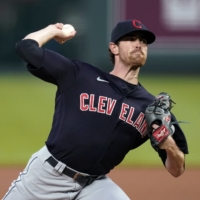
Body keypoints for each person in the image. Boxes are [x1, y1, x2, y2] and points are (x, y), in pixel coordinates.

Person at [3, 19, 188, 200]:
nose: (139, 44)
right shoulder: (81, 75)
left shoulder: (152, 107)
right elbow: (26, 47)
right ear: (113, 48)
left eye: (143, 41)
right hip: (47, 177)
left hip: (94, 186)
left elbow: (177, 169)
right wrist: (54, 31)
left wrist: (168, 143)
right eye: (131, 39)